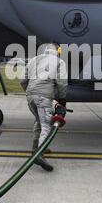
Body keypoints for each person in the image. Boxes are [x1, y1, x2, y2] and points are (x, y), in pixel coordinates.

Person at [21, 43, 68, 172]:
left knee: (39, 122)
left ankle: (36, 148)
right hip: (43, 98)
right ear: (57, 51)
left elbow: (23, 80)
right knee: (47, 125)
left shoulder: (33, 60)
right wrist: (62, 100)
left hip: (30, 96)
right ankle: (39, 155)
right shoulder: (59, 62)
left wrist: (31, 93)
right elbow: (62, 83)